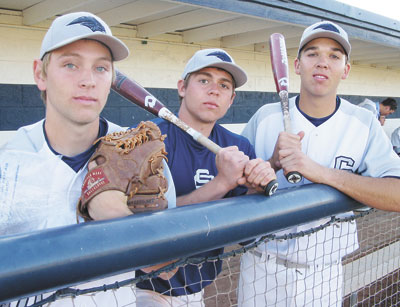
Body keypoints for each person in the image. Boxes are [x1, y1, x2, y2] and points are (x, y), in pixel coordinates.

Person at [0, 12, 176, 306]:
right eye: (70, 64)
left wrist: (120, 219)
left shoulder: (141, 151)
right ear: (40, 75)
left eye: (101, 68)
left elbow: (168, 269)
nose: (87, 81)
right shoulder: (8, 163)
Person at [237, 20, 400, 306]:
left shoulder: (363, 124)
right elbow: (233, 189)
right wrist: (271, 163)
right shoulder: (265, 117)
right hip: (262, 265)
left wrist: (320, 173)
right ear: (297, 65)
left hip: (324, 273)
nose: (322, 62)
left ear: (345, 70)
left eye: (334, 56)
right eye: (312, 53)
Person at [133, 48, 277, 306]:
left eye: (224, 85)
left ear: (231, 100)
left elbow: (246, 236)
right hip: (143, 290)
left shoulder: (238, 146)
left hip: (200, 288)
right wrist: (222, 183)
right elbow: (148, 228)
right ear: (182, 88)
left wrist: (256, 190)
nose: (214, 90)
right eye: (203, 80)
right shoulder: (149, 141)